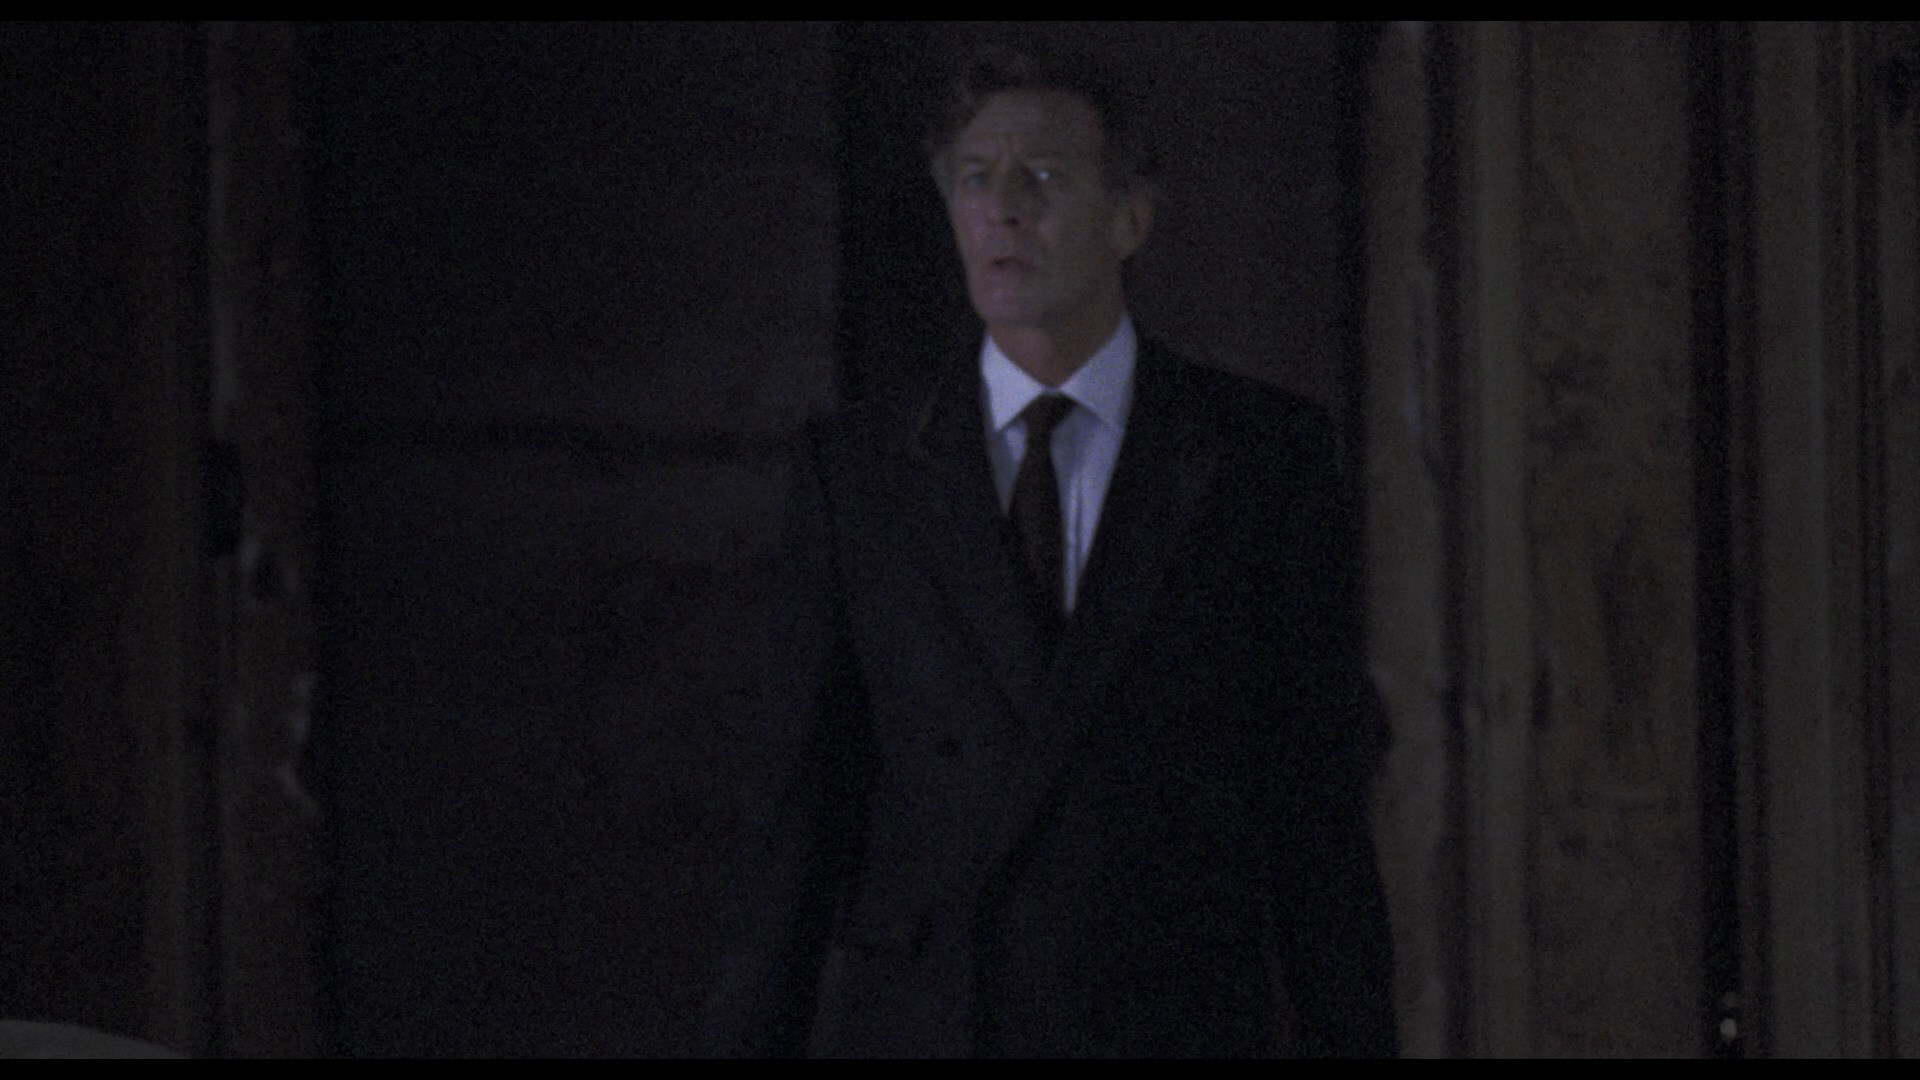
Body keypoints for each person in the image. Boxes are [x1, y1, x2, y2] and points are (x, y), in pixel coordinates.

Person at [702, 44, 1396, 1057]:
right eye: (975, 180)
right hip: (938, 1018)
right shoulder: (859, 474)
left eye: (1042, 177)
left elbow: (1314, 817)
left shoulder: (1259, 459)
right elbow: (798, 813)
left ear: (1130, 218)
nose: (1002, 210)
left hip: (1170, 1023)